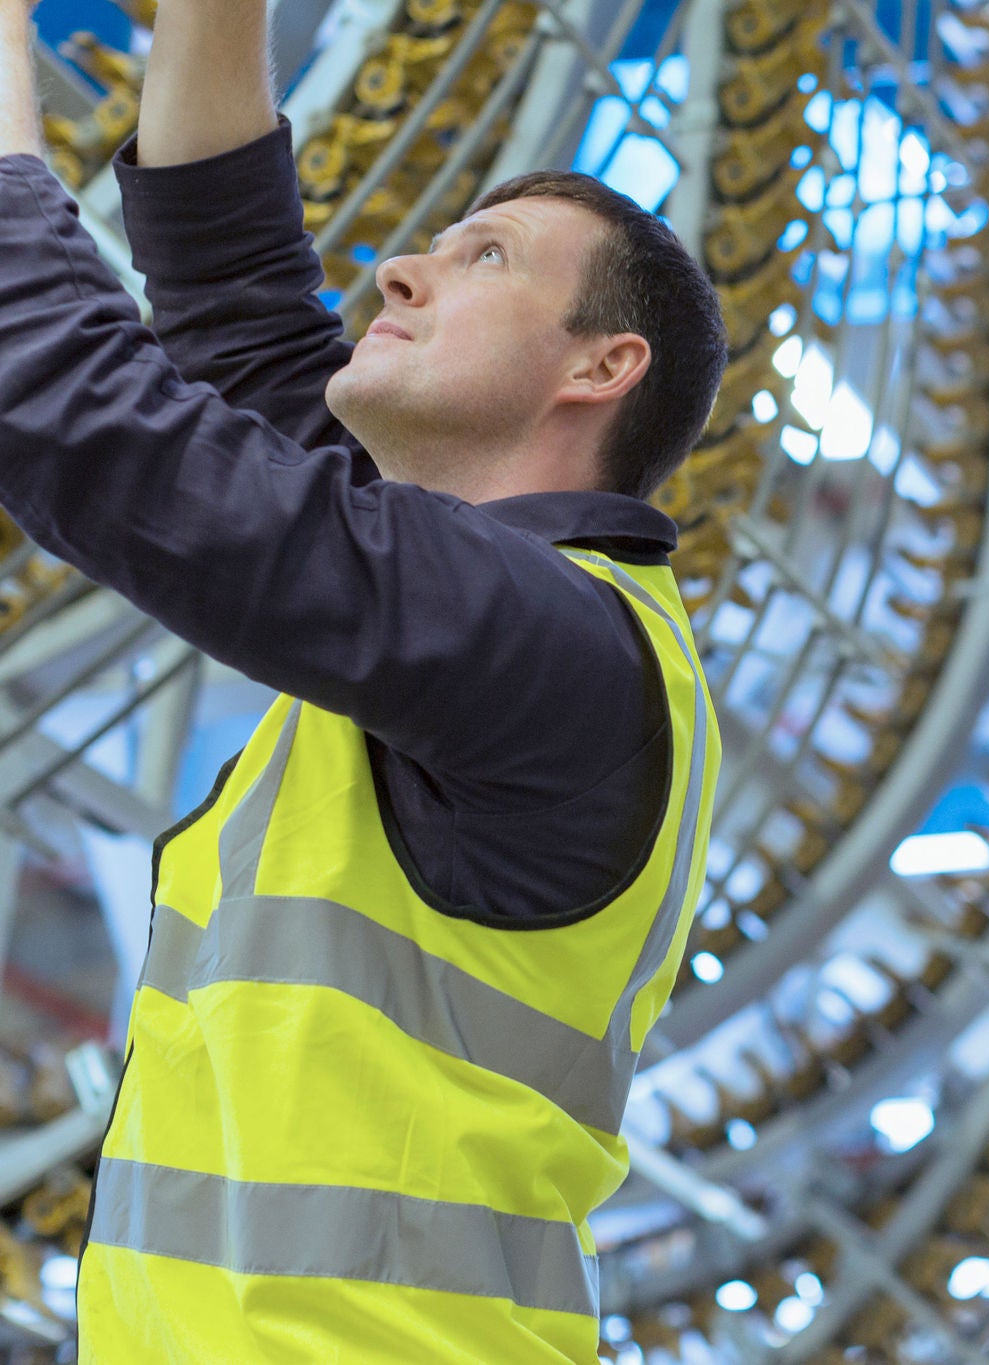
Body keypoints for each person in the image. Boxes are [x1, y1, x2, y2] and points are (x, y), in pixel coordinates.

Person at [0, 0, 726, 1357]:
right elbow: (239, 317)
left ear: (601, 366)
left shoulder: (550, 646)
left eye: (483, 255)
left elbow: (78, 419)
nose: (396, 271)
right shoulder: (492, 624)